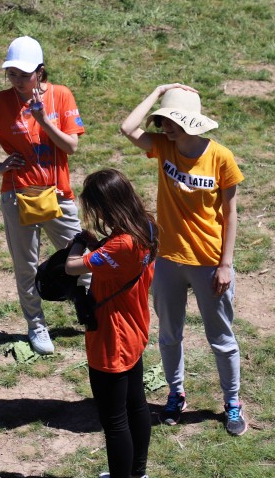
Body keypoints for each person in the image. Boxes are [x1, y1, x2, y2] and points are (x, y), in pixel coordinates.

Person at [120, 84, 247, 436]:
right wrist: (158, 91)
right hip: (168, 260)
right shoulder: (164, 147)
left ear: (191, 121)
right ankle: (175, 394)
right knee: (169, 334)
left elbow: (231, 213)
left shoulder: (221, 157)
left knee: (221, 337)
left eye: (172, 121)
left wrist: (225, 264)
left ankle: (232, 402)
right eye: (162, 121)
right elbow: (128, 128)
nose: (165, 128)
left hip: (209, 261)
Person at [0, 36, 87, 355]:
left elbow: (71, 146)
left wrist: (43, 120)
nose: (17, 81)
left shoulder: (60, 96)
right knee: (26, 266)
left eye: (25, 74)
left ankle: (89, 307)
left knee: (82, 258)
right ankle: (36, 325)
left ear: (40, 71)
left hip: (58, 195)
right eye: (12, 74)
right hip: (19, 195)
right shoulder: (2, 102)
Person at [65, 168, 158, 478]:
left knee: (115, 420)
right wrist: (97, 244)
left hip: (112, 338)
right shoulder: (146, 227)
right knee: (136, 405)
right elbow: (117, 262)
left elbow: (72, 267)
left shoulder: (120, 245)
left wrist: (80, 242)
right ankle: (138, 473)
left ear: (106, 205)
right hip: (134, 329)